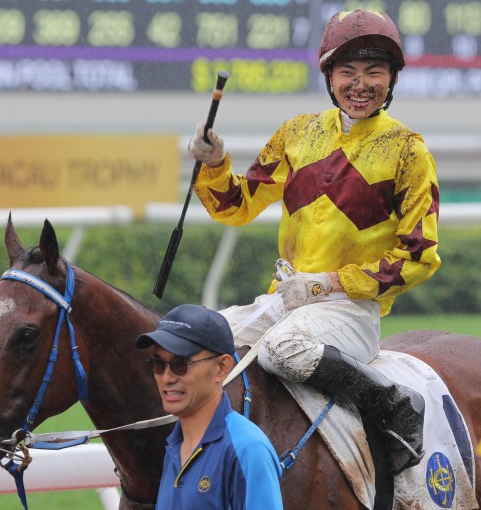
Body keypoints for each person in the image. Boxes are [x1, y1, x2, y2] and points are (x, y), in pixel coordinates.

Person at [187, 9, 441, 476]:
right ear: (329, 76)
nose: (360, 84)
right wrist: (216, 162)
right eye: (347, 72)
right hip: (283, 302)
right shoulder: (297, 134)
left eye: (374, 73)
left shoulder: (408, 151)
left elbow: (418, 258)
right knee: (193, 342)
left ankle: (392, 402)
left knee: (281, 350)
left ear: (392, 80)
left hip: (351, 311)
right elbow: (236, 206)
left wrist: (326, 284)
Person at [135, 304, 284, 510]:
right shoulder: (175, 446)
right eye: (158, 364)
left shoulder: (248, 449)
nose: (167, 378)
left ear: (222, 368)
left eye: (180, 364)